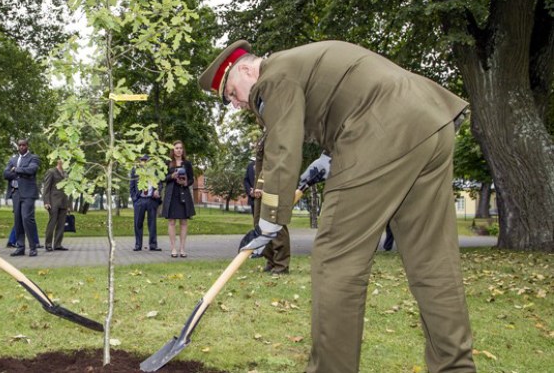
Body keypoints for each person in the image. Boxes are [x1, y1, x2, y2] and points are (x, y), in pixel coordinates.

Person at [199, 40, 474, 372]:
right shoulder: (301, 64)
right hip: (430, 120)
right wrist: (327, 158)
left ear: (245, 69)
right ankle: (456, 367)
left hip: (381, 129)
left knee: (335, 258)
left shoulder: (273, 76)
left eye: (231, 93)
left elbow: (281, 148)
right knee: (432, 259)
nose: (235, 104)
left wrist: (269, 222)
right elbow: (347, 97)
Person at [244, 138, 291, 274]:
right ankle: (271, 260)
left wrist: (264, 186)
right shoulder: (267, 133)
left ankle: (281, 265)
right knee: (261, 224)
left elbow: (275, 163)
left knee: (275, 224)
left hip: (273, 187)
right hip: (261, 188)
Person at [4, 139, 41, 257]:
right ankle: (20, 247)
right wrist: (19, 172)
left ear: (27, 146)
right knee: (18, 220)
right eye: (19, 145)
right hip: (16, 193)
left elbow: (31, 170)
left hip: (28, 194)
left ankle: (33, 247)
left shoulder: (33, 158)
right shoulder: (13, 159)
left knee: (26, 219)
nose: (21, 147)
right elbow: (5, 174)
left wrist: (16, 170)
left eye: (24, 145)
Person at [161, 140, 195, 258]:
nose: (179, 150)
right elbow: (162, 178)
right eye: (176, 148)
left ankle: (182, 249)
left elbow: (191, 179)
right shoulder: (168, 163)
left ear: (183, 150)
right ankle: (173, 249)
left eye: (181, 148)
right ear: (173, 150)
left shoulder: (187, 164)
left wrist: (186, 183)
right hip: (171, 194)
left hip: (183, 194)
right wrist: (172, 176)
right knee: (171, 221)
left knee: (184, 222)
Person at [130, 155, 162, 251]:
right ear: (139, 161)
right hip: (139, 200)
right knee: (138, 223)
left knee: (152, 223)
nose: (144, 162)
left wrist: (158, 191)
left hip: (151, 200)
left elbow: (160, 184)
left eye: (146, 160)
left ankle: (153, 245)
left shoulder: (155, 171)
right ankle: (138, 245)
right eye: (142, 160)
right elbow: (131, 186)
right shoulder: (135, 170)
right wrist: (134, 199)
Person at [41, 158, 71, 251]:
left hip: (64, 202)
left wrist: (69, 205)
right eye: (62, 159)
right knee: (52, 223)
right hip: (53, 202)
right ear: (58, 161)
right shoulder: (51, 171)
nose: (64, 161)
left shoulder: (66, 173)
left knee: (61, 224)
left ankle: (58, 244)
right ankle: (48, 244)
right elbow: (46, 187)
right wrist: (46, 202)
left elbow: (69, 188)